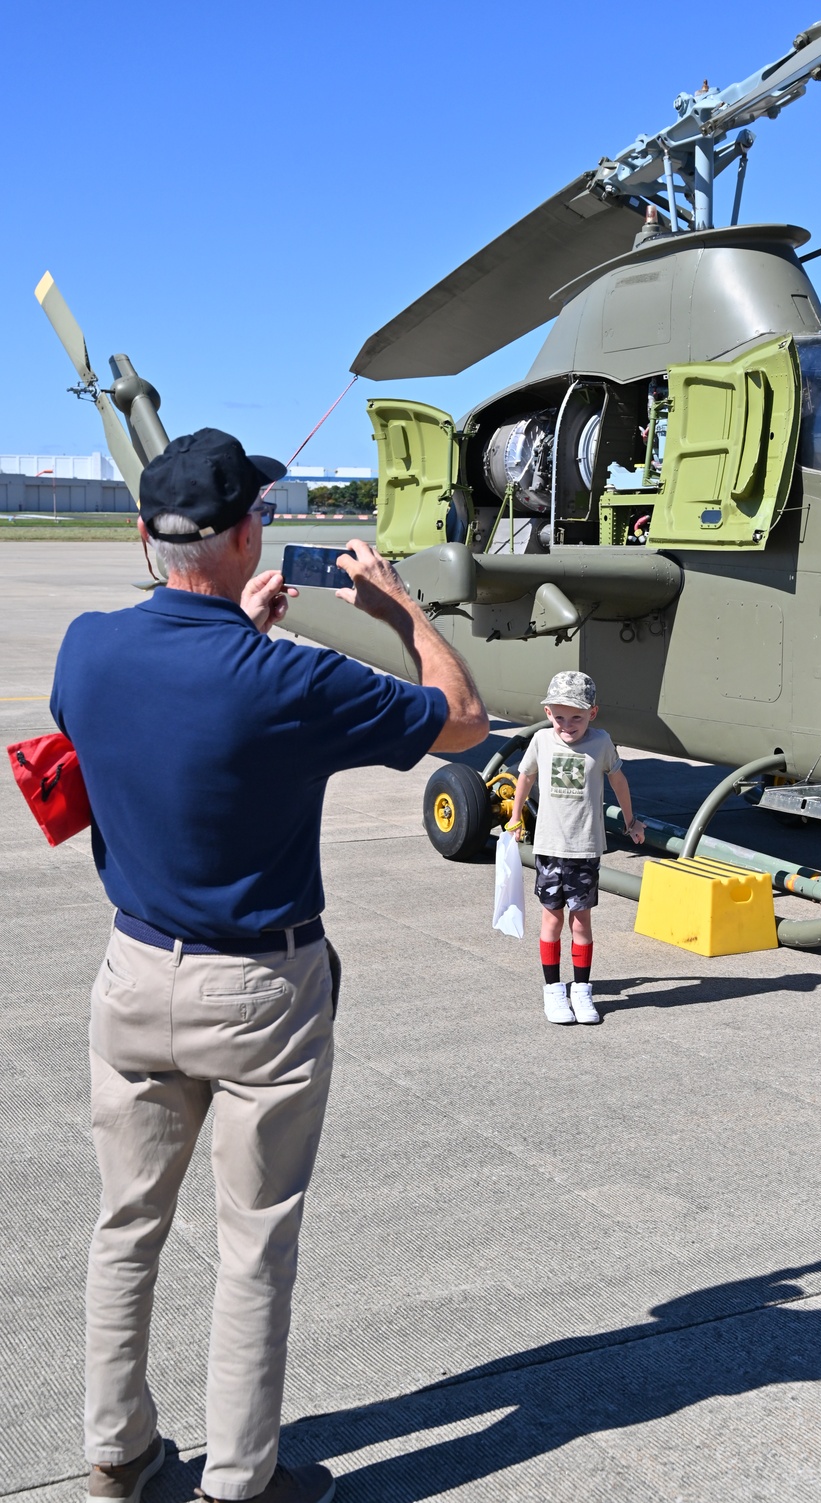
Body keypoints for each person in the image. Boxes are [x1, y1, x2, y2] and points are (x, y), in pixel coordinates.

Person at [50, 429, 487, 1503]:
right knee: (251, 1246)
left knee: (126, 1228)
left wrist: (228, 628)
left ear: (143, 534)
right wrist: (401, 610)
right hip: (257, 994)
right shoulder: (288, 682)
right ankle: (239, 1483)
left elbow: (167, 705)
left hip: (132, 975)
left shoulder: (83, 648)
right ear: (251, 534)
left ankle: (118, 1454)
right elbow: (463, 722)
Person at [505, 671, 644, 1025]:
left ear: (592, 714)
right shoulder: (540, 741)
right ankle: (554, 991)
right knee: (552, 918)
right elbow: (526, 776)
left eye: (577, 717)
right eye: (559, 716)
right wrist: (515, 816)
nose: (568, 725)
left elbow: (618, 780)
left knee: (581, 920)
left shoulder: (601, 743)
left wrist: (631, 821)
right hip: (550, 846)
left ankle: (581, 990)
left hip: (585, 848)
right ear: (549, 713)